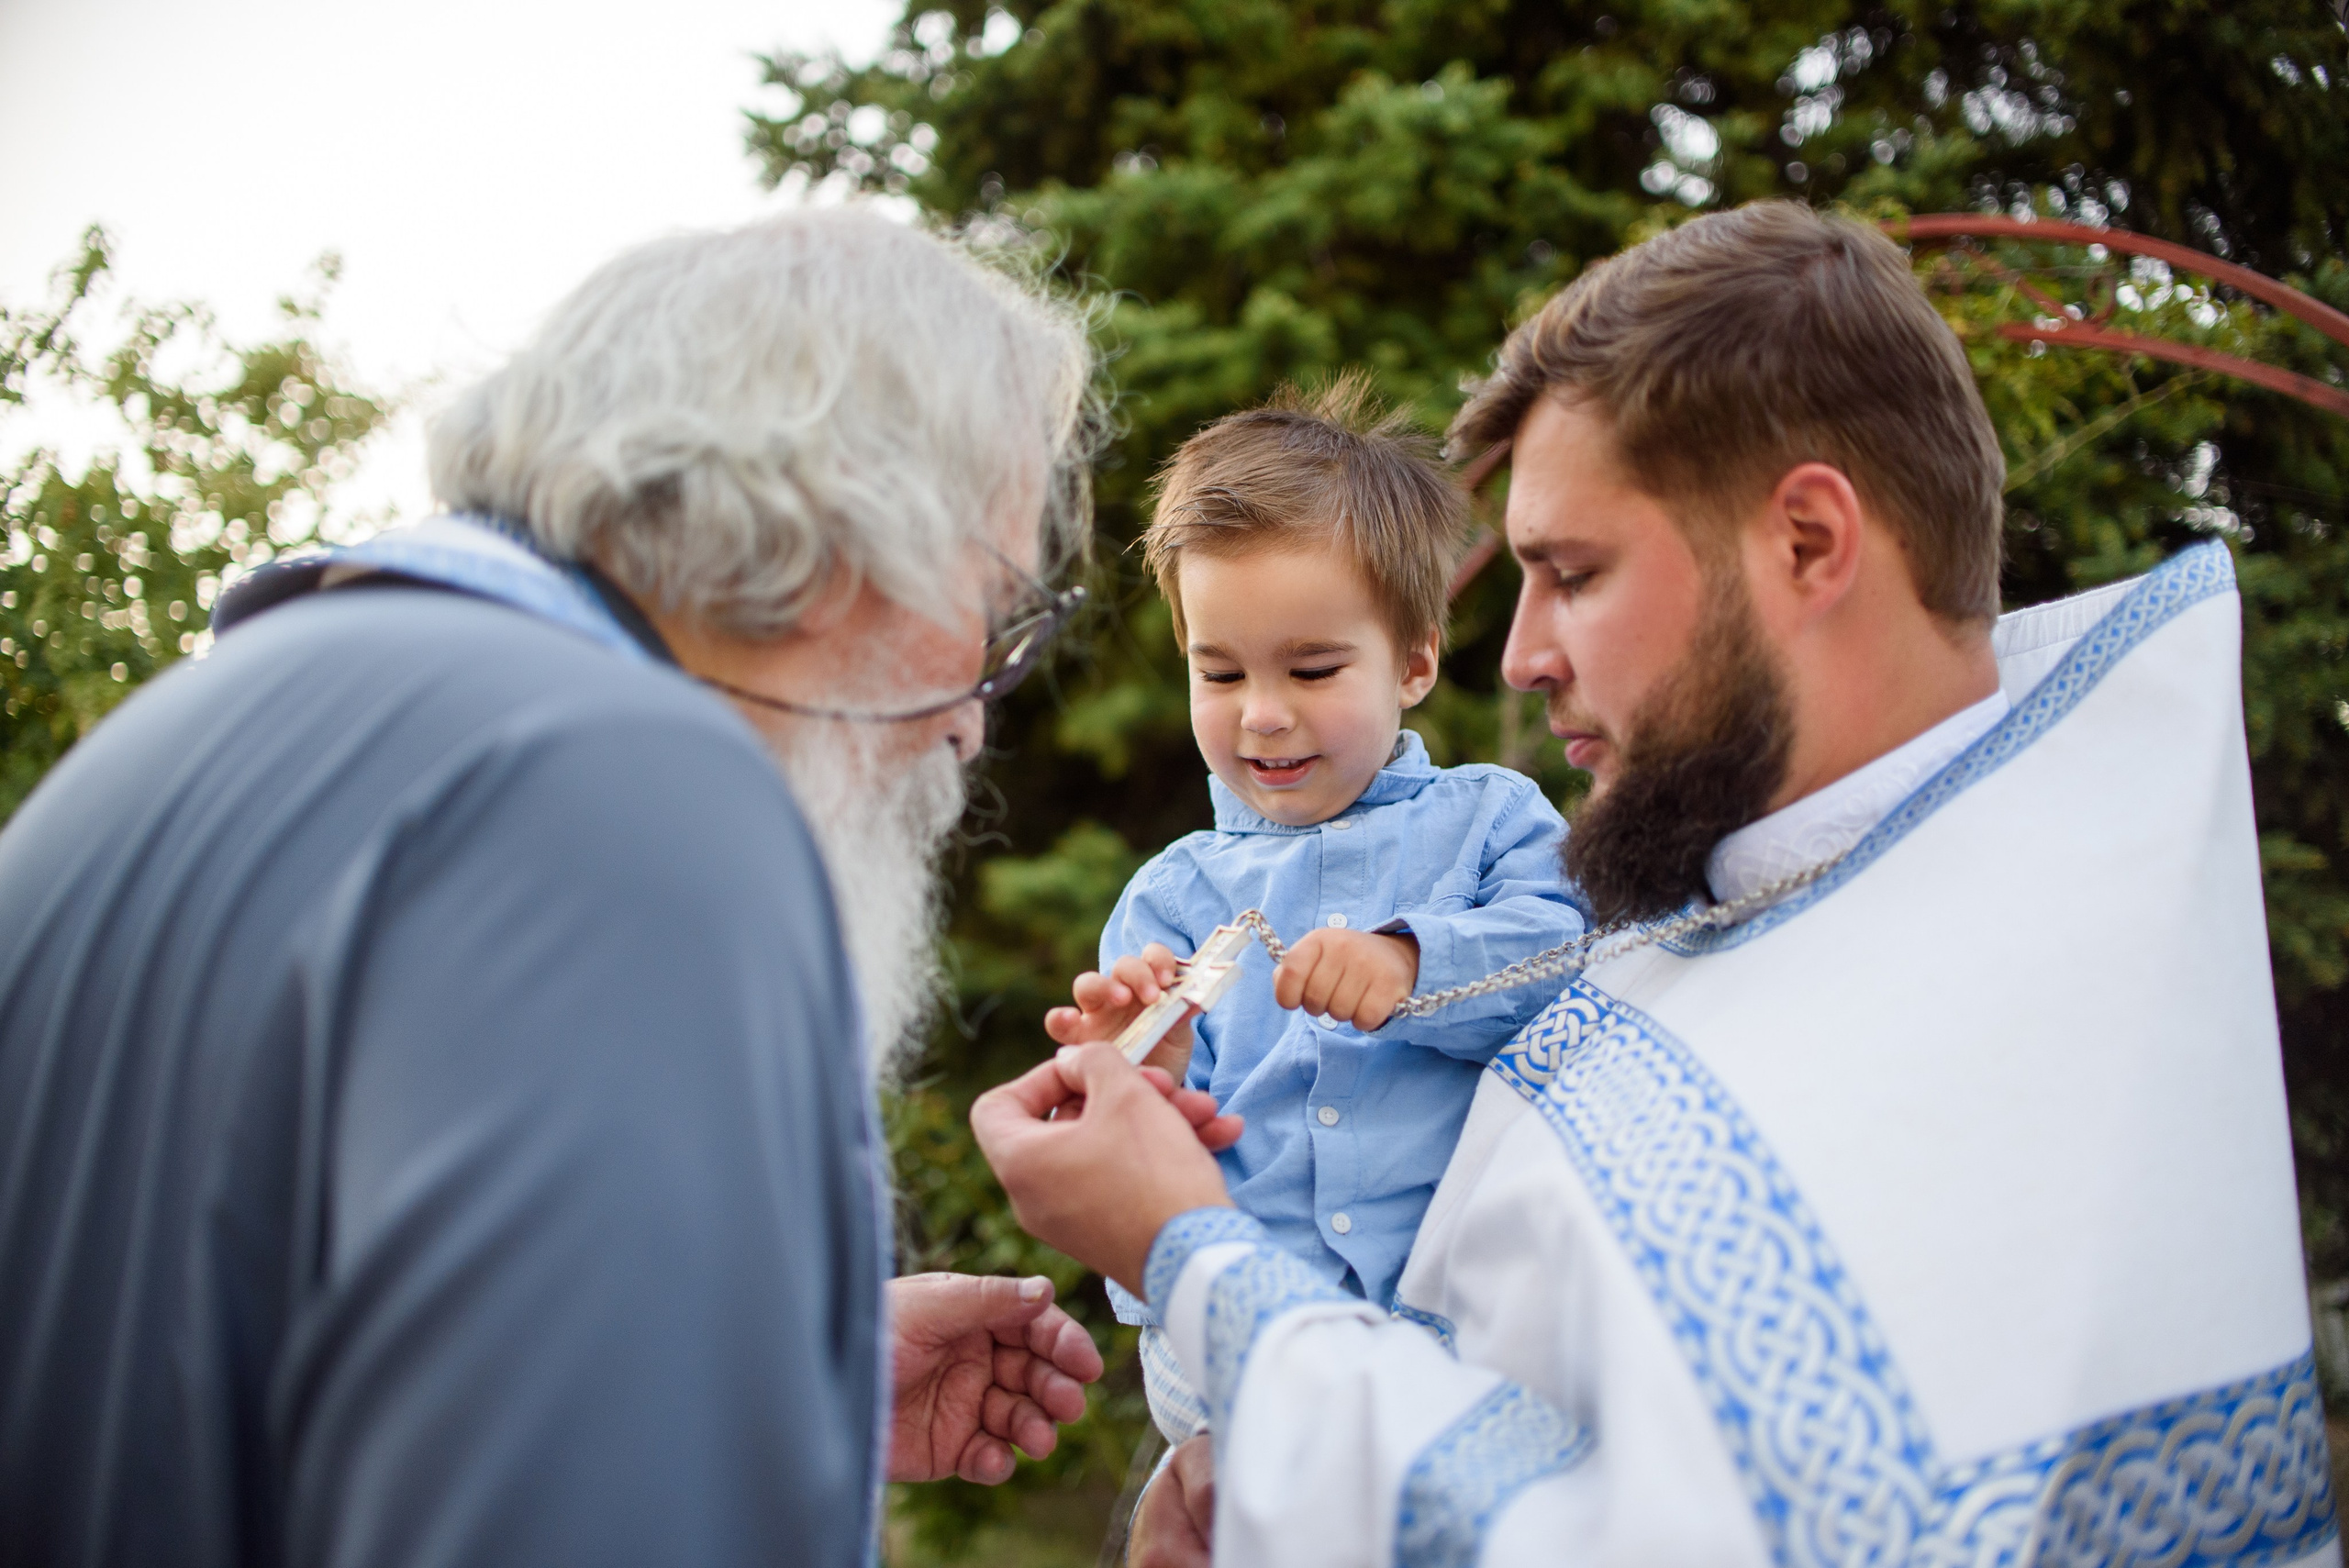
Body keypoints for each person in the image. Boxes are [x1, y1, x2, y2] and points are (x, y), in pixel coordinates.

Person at [974, 201, 2335, 1567]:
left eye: (1572, 573)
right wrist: (1226, 1488)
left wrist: (1192, 1256)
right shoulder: (1730, 894)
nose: (1519, 656)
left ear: (1807, 544)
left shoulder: (2011, 1018)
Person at [0, 209, 1162, 1566]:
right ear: (851, 527)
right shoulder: (620, 785)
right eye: (995, 603)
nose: (972, 719)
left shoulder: (224, 714)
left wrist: (766, 1385)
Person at [1045, 380, 1583, 1447]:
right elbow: (1136, 1184)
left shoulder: (1486, 819)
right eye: (1220, 670)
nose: (1264, 712)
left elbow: (1573, 953)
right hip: (1242, 1357)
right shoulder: (1170, 897)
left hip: (1458, 1337)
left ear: (1415, 661)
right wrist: (1134, 1074)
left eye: (1314, 667)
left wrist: (1410, 961)